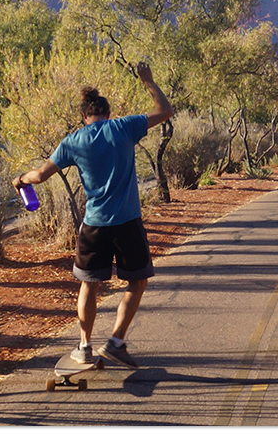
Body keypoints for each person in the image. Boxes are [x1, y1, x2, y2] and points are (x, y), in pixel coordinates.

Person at [12, 61, 173, 368]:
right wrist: (148, 80)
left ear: (84, 117)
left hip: (94, 226)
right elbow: (165, 111)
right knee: (137, 283)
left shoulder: (73, 141)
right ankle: (115, 342)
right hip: (127, 223)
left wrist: (20, 180)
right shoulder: (123, 127)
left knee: (90, 285)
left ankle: (84, 346)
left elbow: (40, 176)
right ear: (107, 113)